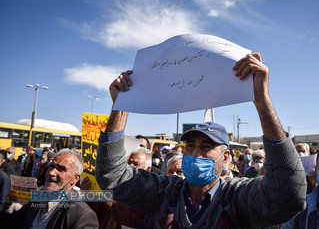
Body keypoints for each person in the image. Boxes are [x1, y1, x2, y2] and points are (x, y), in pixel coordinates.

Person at [96, 53, 306, 228]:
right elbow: (112, 177)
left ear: (225, 158)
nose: (196, 154)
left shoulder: (238, 197)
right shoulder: (165, 192)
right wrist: (120, 107)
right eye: (190, 146)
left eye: (206, 147)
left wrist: (262, 100)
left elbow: (289, 195)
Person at [0, 149, 99, 228]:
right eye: (51, 166)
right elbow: (12, 221)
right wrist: (7, 204)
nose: (51, 172)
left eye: (61, 169)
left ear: (75, 179)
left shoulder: (82, 216)